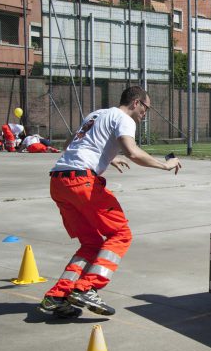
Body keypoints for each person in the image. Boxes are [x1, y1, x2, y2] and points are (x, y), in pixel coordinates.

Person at [38, 86, 182, 318]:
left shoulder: (95, 114)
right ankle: (88, 287)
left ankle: (57, 296)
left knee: (91, 243)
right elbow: (133, 152)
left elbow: (70, 145)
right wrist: (165, 165)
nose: (146, 113)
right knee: (120, 234)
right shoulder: (125, 118)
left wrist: (108, 156)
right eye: (146, 108)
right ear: (136, 103)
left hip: (59, 181)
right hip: (82, 182)